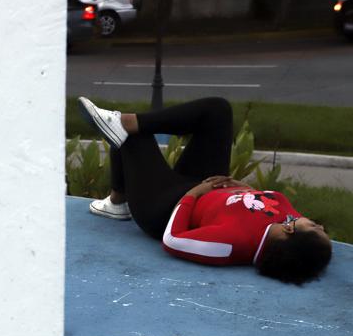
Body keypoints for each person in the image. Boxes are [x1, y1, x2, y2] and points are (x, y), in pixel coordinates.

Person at [77, 96, 332, 285]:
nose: (319, 225)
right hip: (205, 185)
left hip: (164, 205)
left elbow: (173, 240)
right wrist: (245, 189)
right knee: (217, 110)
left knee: (133, 137)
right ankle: (126, 124)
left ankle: (118, 200)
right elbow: (263, 204)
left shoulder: (233, 245)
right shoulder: (289, 219)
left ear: (289, 234)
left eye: (315, 229)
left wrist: (195, 194)